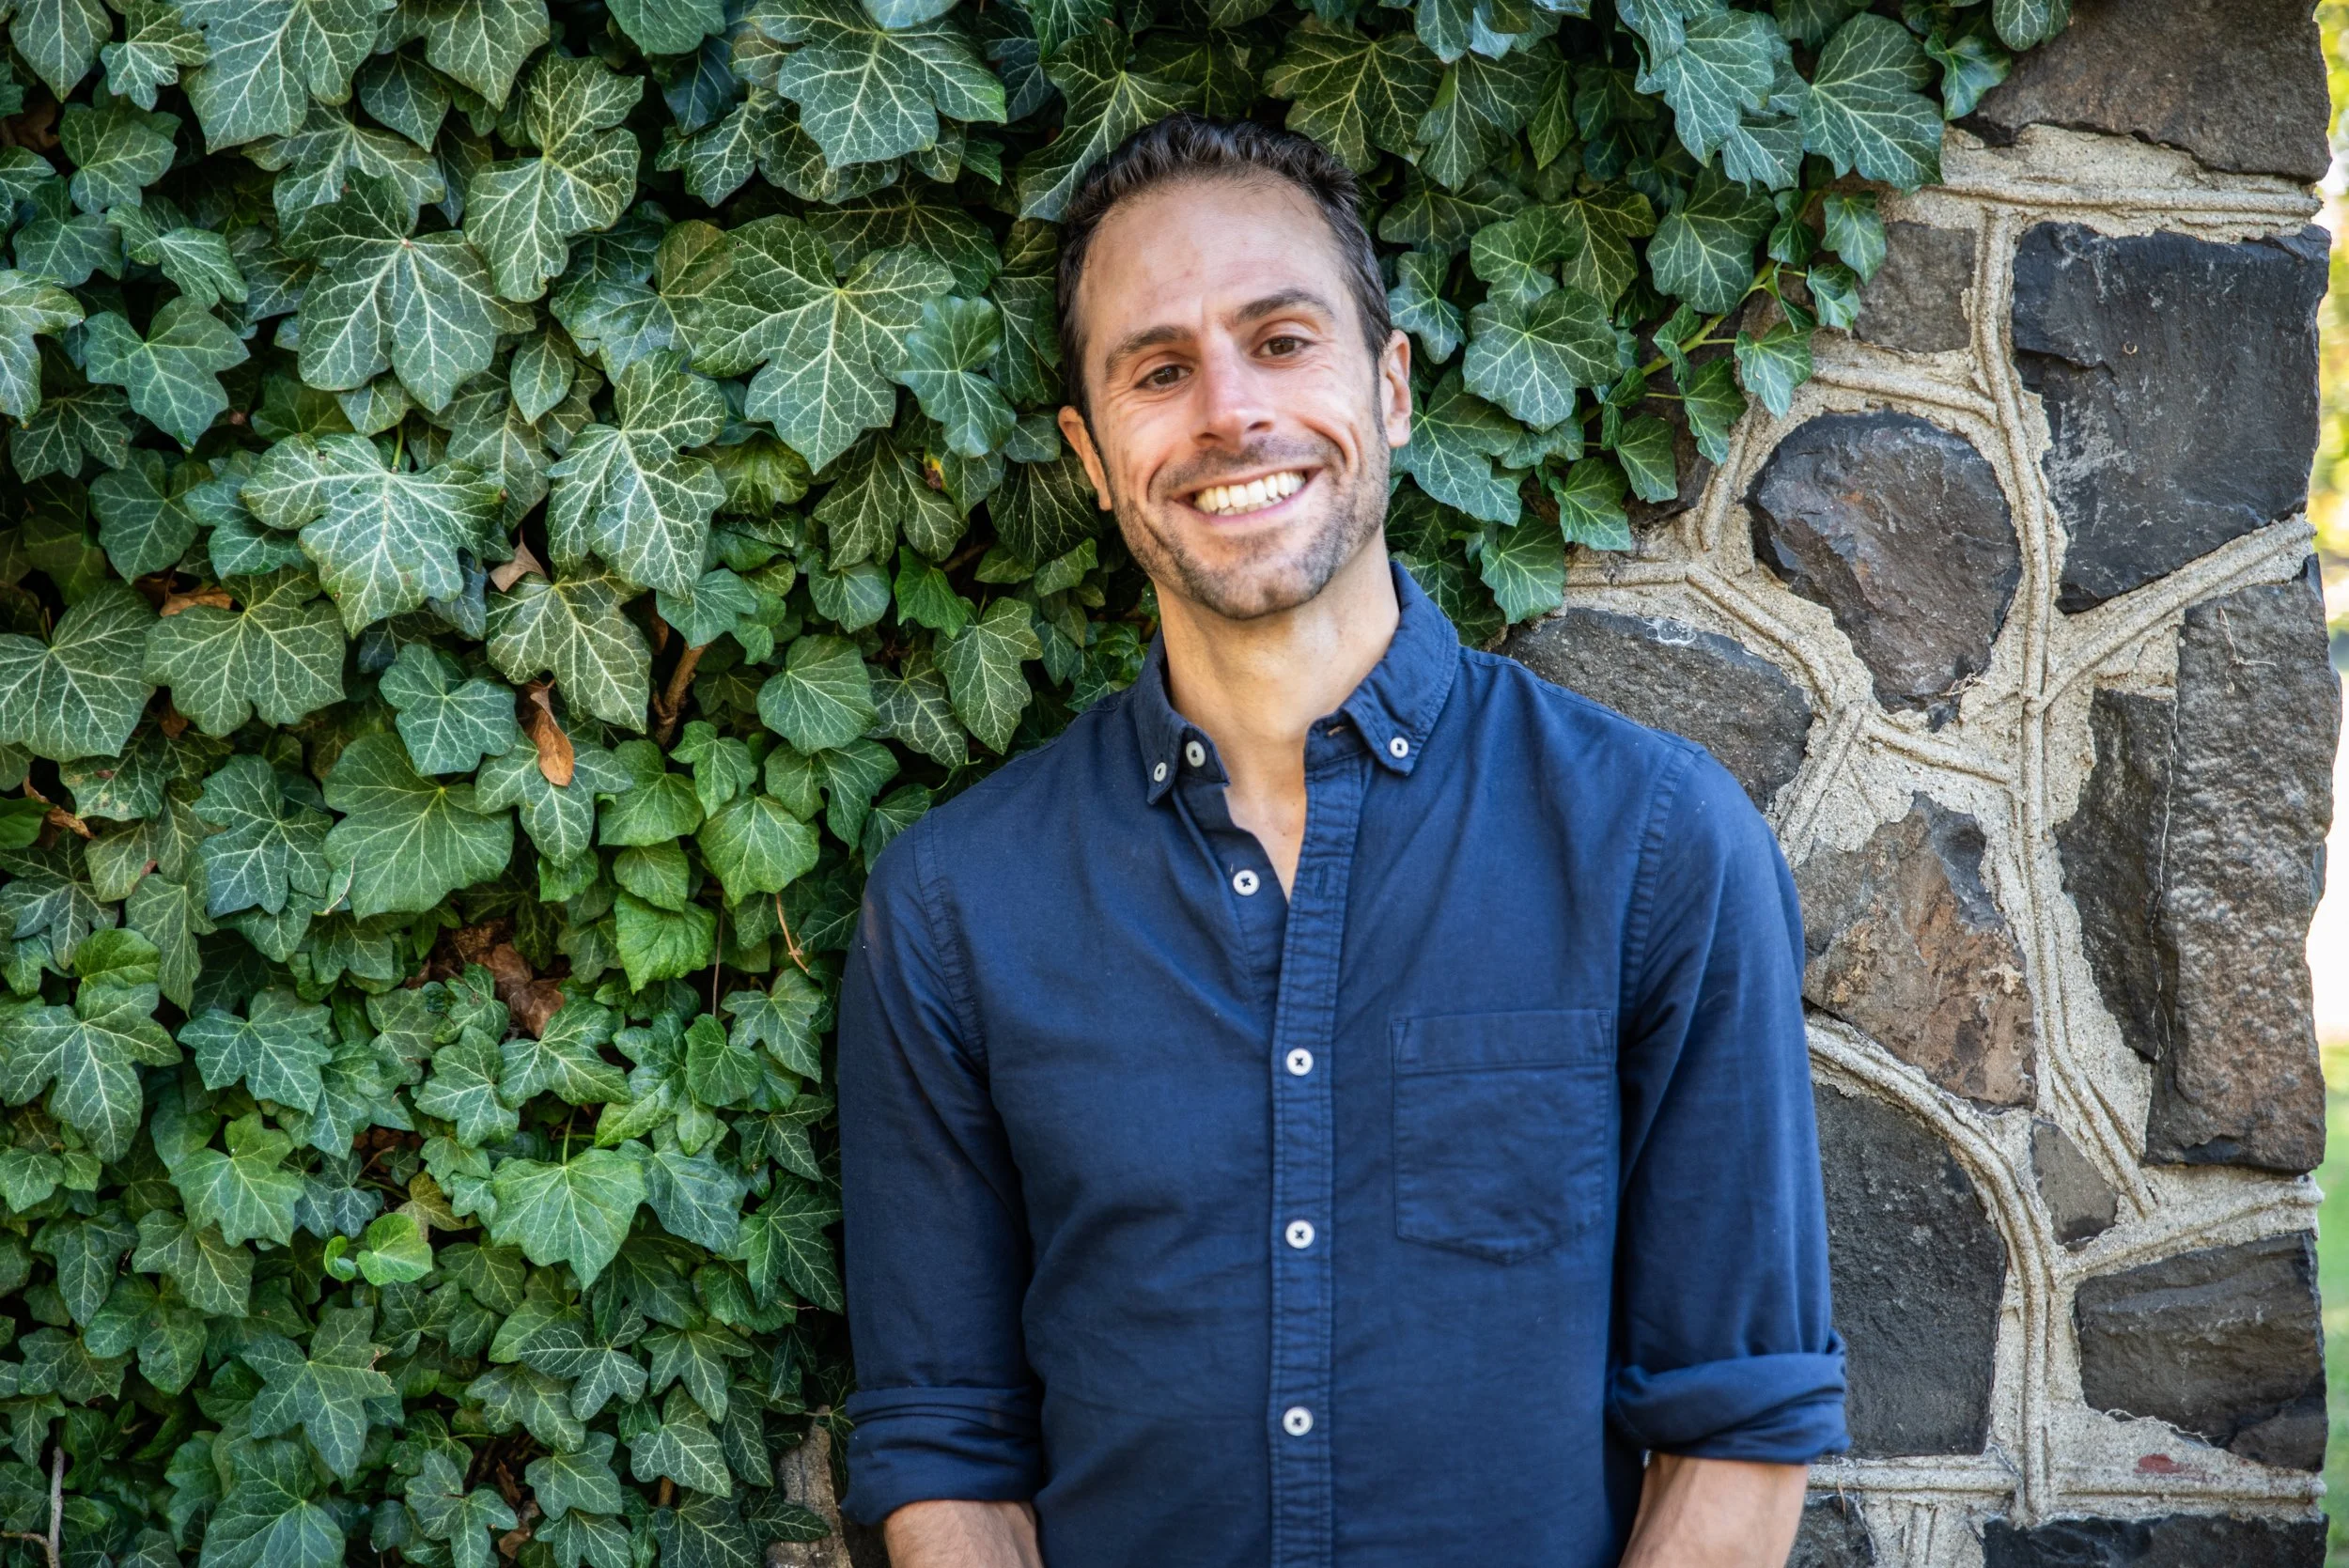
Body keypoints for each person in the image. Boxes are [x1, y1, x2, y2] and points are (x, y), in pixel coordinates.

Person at [834, 114, 1846, 1568]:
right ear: (1092, 456)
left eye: (1282, 341)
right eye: (1159, 371)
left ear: (1392, 387)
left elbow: (1739, 1424)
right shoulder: (956, 908)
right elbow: (944, 1442)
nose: (1230, 412)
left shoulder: (1656, 847)